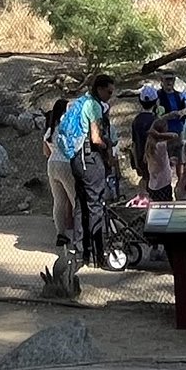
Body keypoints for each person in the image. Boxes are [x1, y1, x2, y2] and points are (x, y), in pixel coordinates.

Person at [50, 76, 113, 251]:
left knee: (60, 202)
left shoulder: (76, 106)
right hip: (75, 160)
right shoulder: (93, 106)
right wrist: (106, 145)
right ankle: (92, 244)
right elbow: (95, 138)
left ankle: (64, 236)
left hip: (54, 162)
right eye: (108, 92)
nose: (109, 96)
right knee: (83, 202)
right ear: (99, 89)